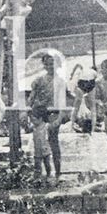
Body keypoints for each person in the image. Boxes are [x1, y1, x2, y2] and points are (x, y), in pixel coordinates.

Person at [28, 52, 69, 182]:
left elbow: (62, 102)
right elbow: (31, 99)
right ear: (44, 65)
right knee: (38, 144)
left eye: (52, 63)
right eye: (47, 64)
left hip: (53, 113)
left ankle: (57, 172)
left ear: (57, 65)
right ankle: (41, 173)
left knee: (53, 141)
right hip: (39, 114)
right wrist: (29, 114)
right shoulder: (39, 80)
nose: (50, 66)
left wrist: (60, 118)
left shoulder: (61, 82)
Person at [70, 62, 97, 133]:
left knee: (76, 106)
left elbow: (77, 65)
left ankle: (71, 126)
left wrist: (72, 74)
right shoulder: (92, 71)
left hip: (83, 82)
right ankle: (93, 128)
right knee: (92, 107)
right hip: (90, 82)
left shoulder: (81, 69)